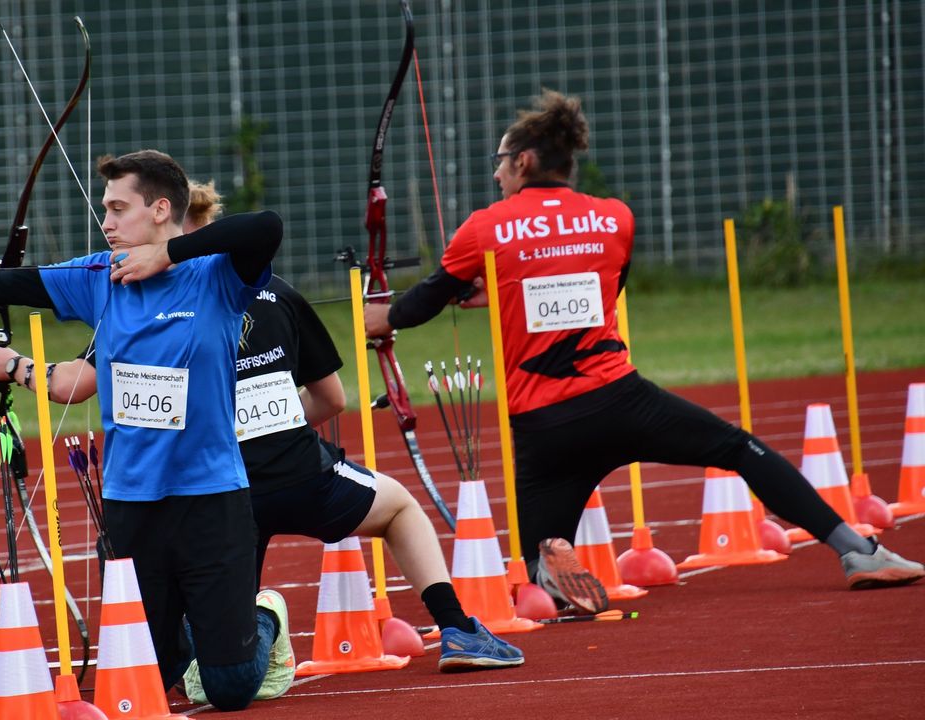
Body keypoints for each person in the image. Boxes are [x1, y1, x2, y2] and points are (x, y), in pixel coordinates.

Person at [363, 89, 924, 612]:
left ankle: (546, 570)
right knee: (739, 449)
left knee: (535, 562)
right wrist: (504, 293)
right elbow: (599, 288)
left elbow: (422, 304)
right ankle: (859, 551)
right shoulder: (614, 218)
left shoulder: (485, 227)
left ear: (526, 163)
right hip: (620, 402)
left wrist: (378, 318)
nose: (496, 172)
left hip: (543, 426)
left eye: (501, 160)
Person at [0, 150, 292, 711]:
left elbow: (265, 227)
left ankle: (262, 613)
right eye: (105, 210)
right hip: (131, 502)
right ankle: (215, 627)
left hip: (211, 497)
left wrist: (165, 254)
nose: (107, 221)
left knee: (231, 689)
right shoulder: (101, 277)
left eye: (120, 209)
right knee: (154, 672)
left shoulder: (215, 275)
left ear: (161, 209)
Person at [10, 180, 523, 683]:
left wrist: (18, 368)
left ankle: (223, 639)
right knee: (400, 507)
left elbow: (77, 385)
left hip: (209, 497)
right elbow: (332, 399)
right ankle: (456, 627)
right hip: (292, 476)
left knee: (200, 636)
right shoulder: (274, 292)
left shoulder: (139, 304)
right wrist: (275, 428)